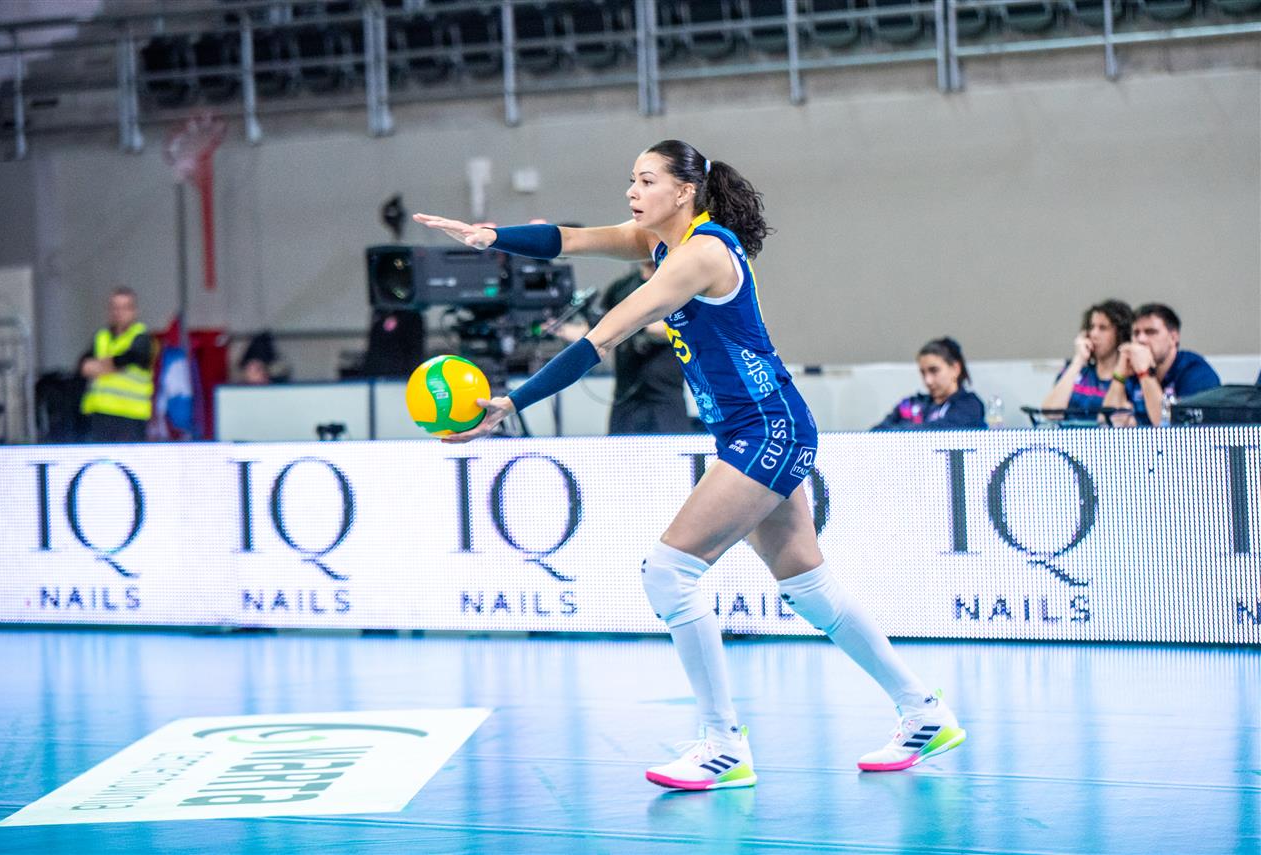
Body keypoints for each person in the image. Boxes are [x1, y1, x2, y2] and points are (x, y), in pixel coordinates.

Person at [414, 139, 965, 791]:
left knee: (669, 573)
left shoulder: (701, 254)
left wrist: (511, 403)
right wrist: (491, 236)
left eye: (646, 180)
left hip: (767, 428)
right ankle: (923, 711)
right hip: (753, 428)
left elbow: (602, 337)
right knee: (807, 584)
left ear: (683, 192)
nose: (632, 191)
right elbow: (570, 238)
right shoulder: (657, 242)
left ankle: (723, 744)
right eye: (631, 178)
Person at [555, 260, 692, 434]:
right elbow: (597, 331)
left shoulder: (676, 285)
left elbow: (681, 328)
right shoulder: (621, 287)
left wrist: (636, 326)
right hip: (625, 396)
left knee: (674, 448)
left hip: (666, 394)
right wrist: (558, 329)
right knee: (619, 448)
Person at [1102, 303, 1221, 427]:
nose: (1141, 339)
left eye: (1150, 332)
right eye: (1136, 333)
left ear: (1173, 337)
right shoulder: (1132, 372)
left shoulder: (1195, 372)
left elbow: (1169, 426)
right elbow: (1104, 422)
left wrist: (1145, 373)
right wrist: (1119, 375)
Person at [78, 287, 155, 443]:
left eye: (124, 308)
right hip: (101, 413)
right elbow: (83, 366)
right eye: (115, 308)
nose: (119, 313)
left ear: (134, 311)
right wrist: (112, 366)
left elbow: (130, 357)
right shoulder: (101, 336)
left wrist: (102, 365)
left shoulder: (141, 337)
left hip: (131, 416)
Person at [1041, 299, 1133, 419]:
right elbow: (1050, 413)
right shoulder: (1077, 370)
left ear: (1120, 333)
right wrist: (1079, 360)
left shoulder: (1129, 377)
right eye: (1091, 327)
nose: (1094, 334)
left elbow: (1110, 421)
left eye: (1103, 328)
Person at [872, 338, 986, 431]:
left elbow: (942, 433)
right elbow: (877, 432)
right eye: (923, 373)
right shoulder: (910, 404)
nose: (928, 381)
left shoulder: (969, 405)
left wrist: (900, 430)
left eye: (934, 370)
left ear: (955, 369)